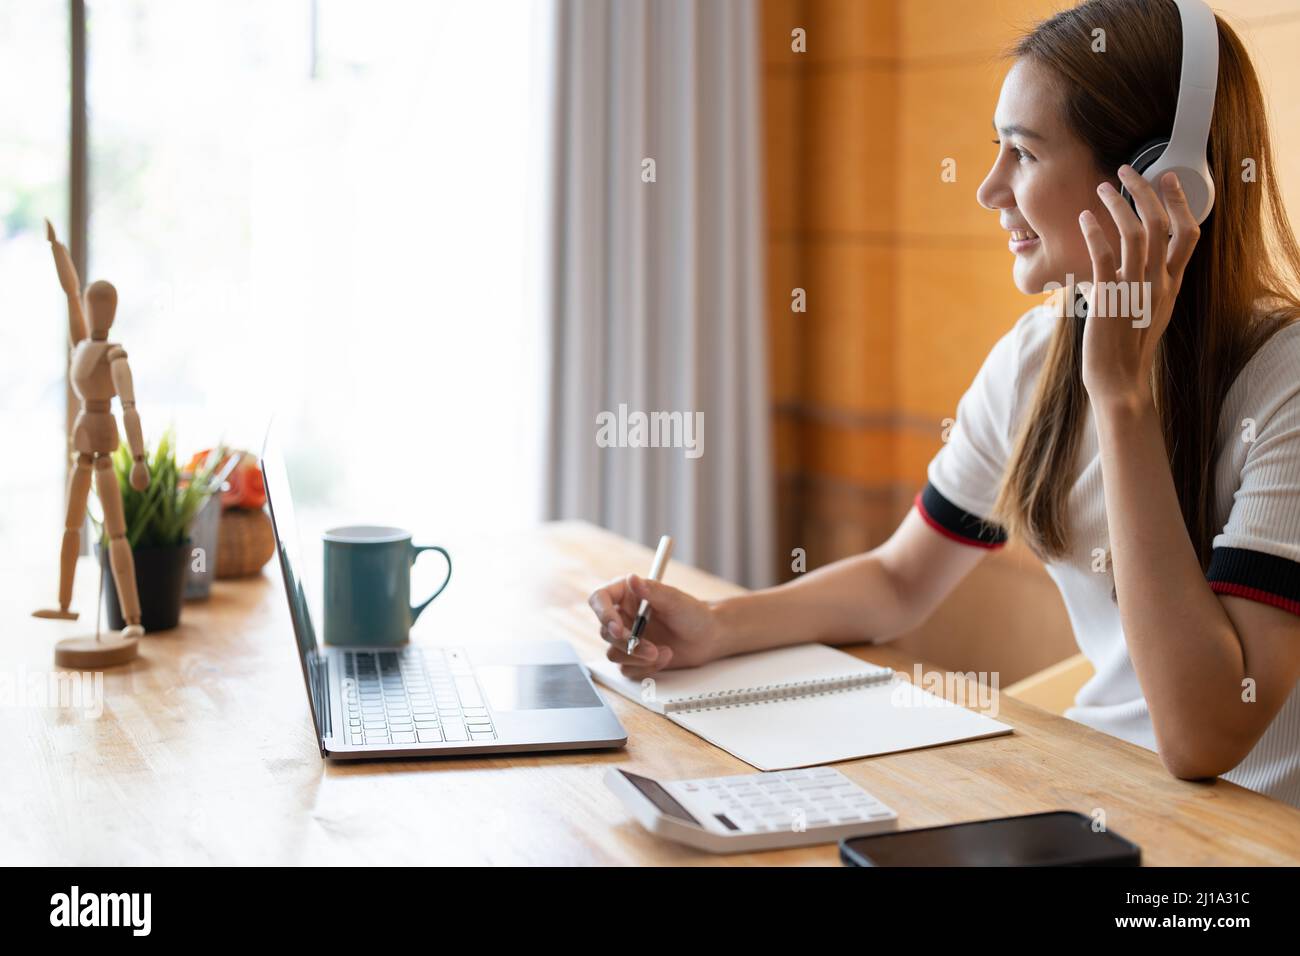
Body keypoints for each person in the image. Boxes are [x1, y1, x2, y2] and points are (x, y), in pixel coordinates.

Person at [588, 0, 1300, 808]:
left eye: (1024, 154)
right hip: (1109, 797)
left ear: (1163, 186)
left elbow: (1204, 736)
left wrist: (1121, 399)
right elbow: (899, 581)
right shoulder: (1035, 360)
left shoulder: (1286, 389)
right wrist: (715, 627)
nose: (989, 188)